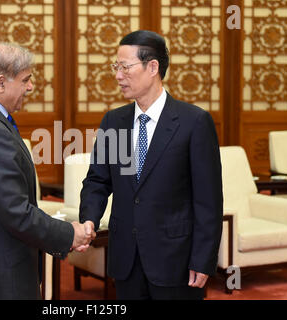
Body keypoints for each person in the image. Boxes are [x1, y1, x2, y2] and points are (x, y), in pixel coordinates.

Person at [79, 30, 223, 300]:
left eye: (125, 67)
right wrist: (89, 219)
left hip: (176, 261)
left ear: (153, 67)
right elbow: (98, 180)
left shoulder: (194, 122)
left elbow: (208, 201)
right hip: (126, 260)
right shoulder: (114, 122)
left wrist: (203, 259)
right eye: (116, 67)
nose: (118, 75)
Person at [0, 42, 95, 300]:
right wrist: (70, 234)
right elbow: (16, 212)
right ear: (1, 83)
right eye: (26, 80)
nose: (30, 87)